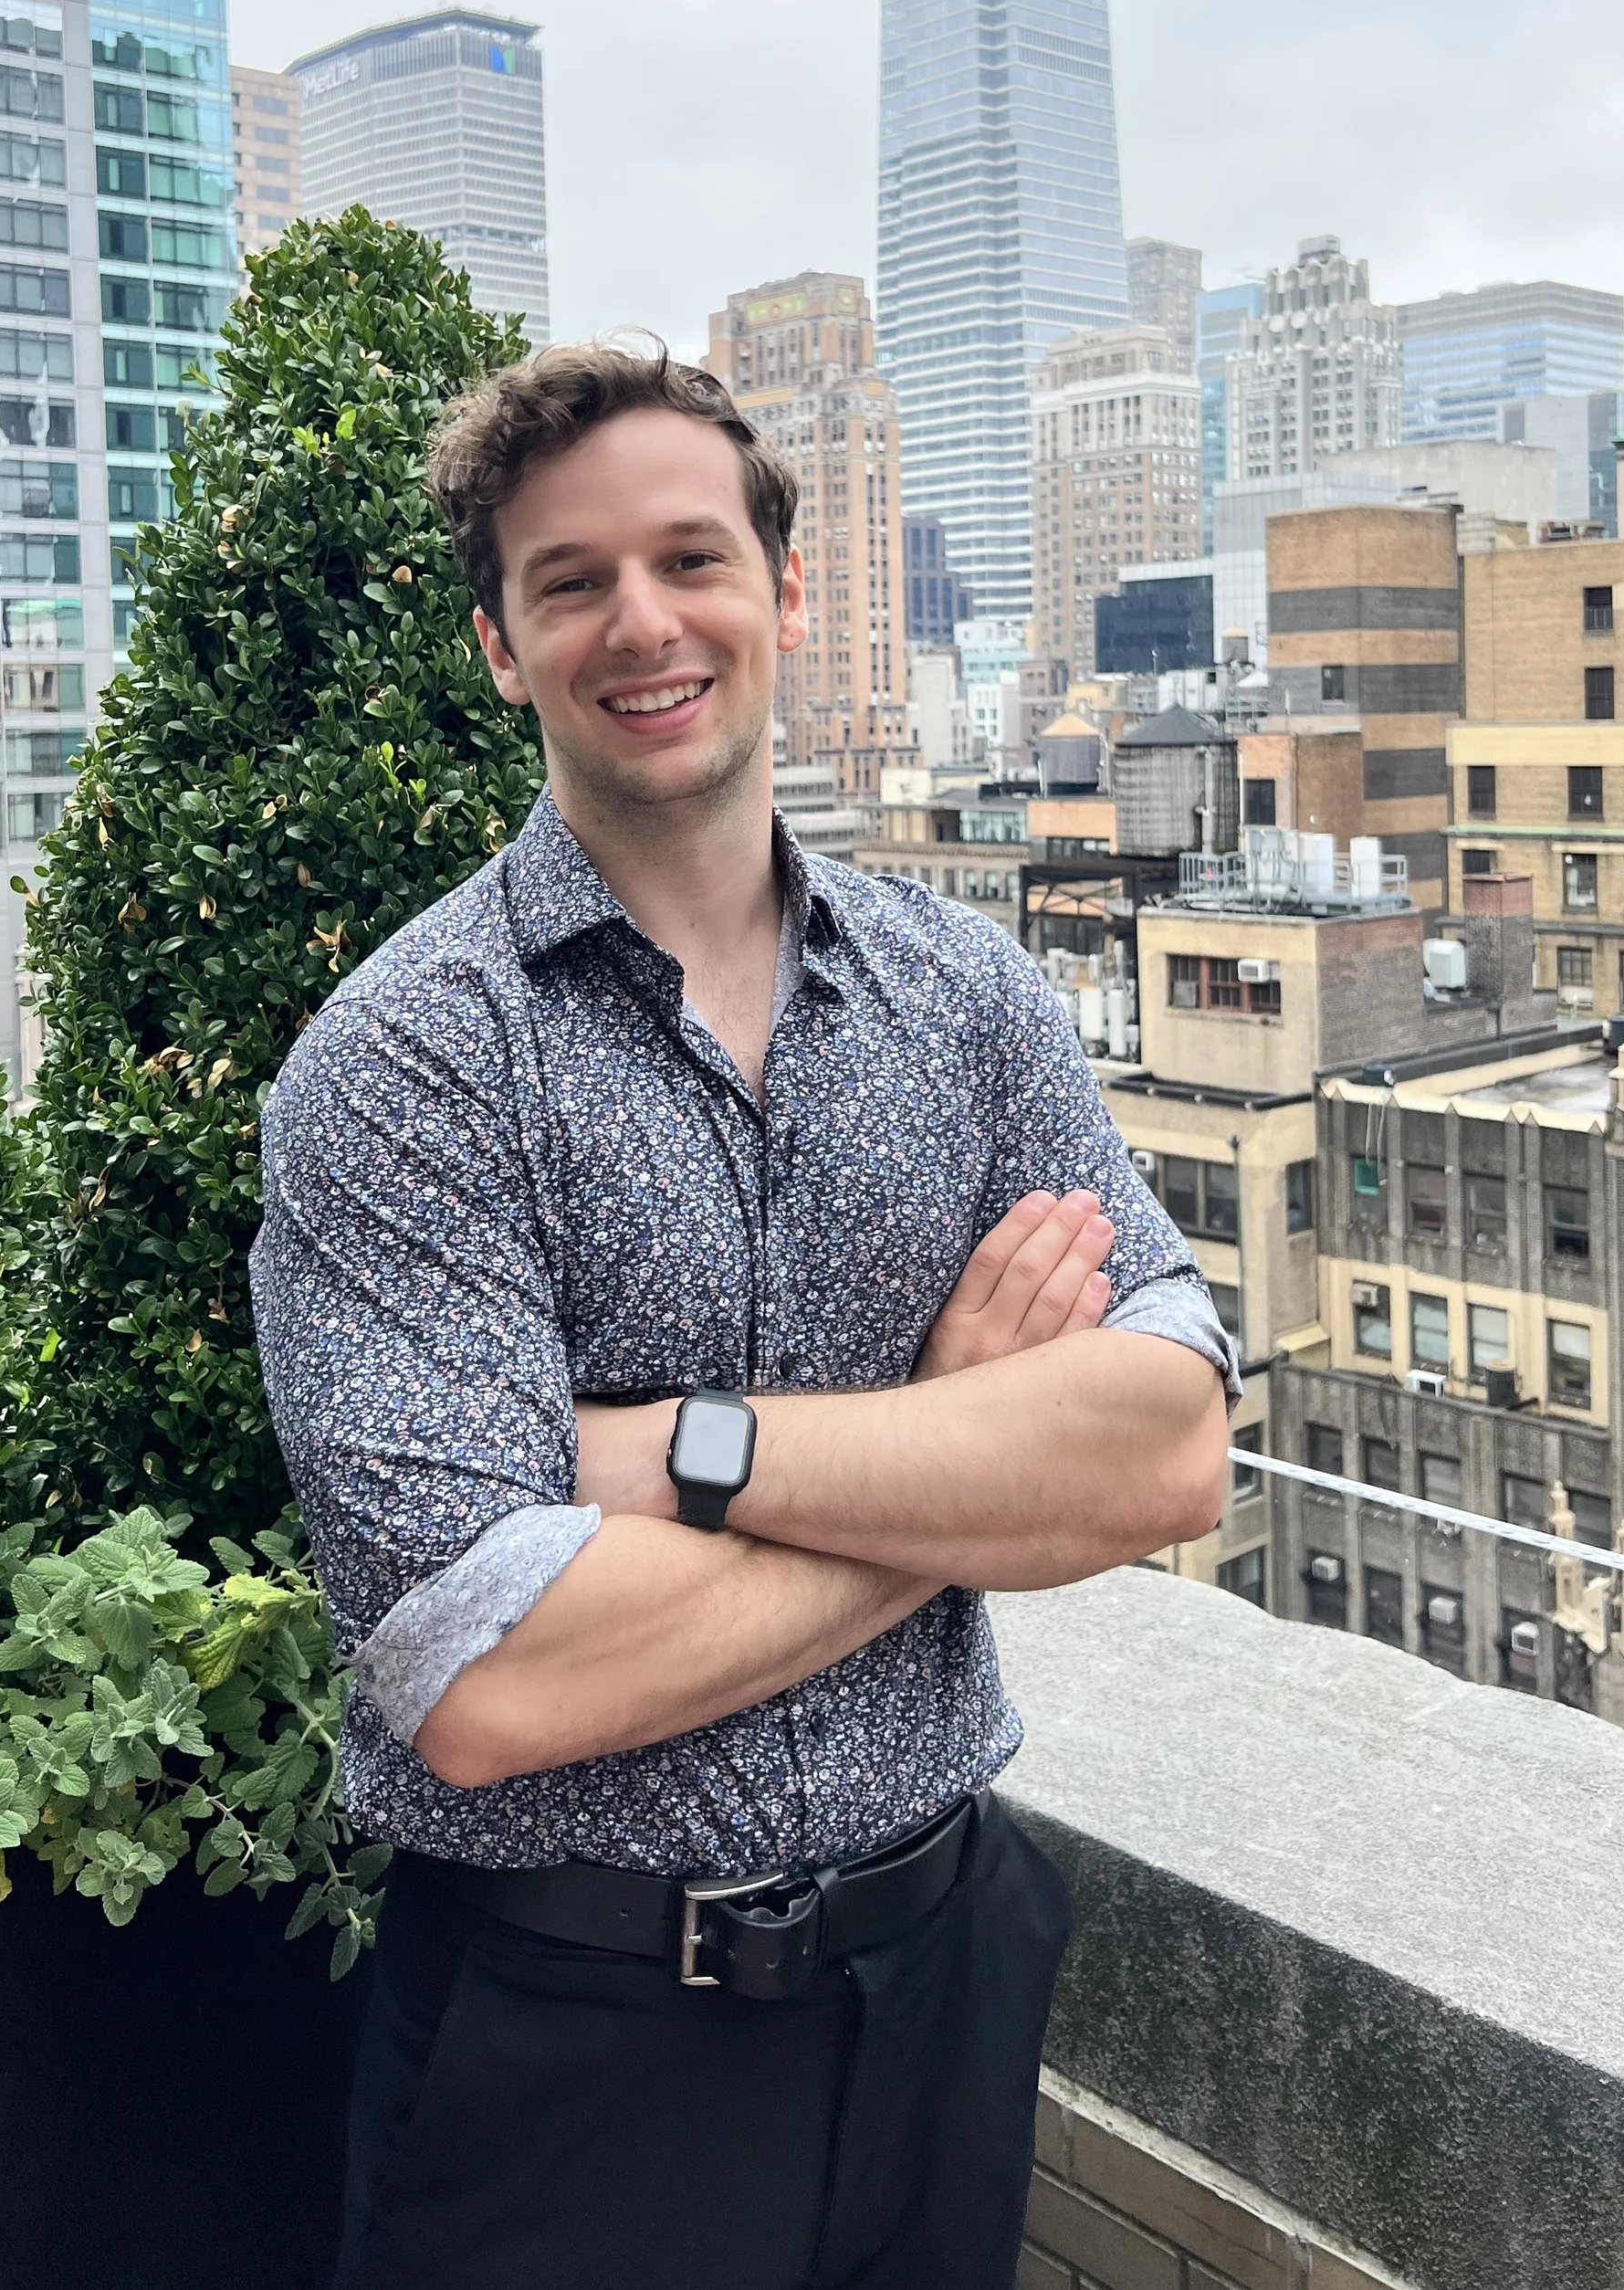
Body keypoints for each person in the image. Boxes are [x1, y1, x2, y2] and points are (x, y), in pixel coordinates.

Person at [250, 341, 1237, 2290]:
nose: (642, 621)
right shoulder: (403, 1066)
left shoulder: (966, 997)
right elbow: (489, 1684)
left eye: (690, 558)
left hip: (937, 1988)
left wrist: (690, 1452)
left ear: (789, 596)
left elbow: (1169, 1442)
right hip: (572, 2036)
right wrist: (951, 1437)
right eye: (569, 582)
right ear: (497, 645)